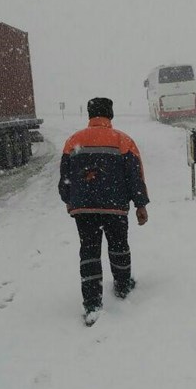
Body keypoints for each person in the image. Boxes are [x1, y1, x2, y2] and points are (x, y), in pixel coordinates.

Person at [58, 97, 149, 325]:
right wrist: (140, 205)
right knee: (119, 247)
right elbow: (134, 176)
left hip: (84, 210)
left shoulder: (73, 141)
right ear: (110, 115)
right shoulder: (123, 140)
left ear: (90, 115)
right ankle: (123, 285)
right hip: (115, 207)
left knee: (89, 252)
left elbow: (65, 178)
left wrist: (69, 199)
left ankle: (92, 304)